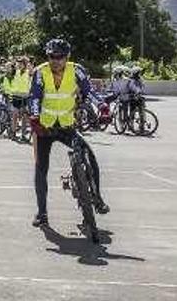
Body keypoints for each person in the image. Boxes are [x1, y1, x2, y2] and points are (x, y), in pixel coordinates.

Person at [28, 38, 110, 228]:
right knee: (41, 169)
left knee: (90, 155)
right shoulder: (40, 72)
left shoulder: (77, 70)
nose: (55, 60)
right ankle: (42, 213)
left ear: (67, 57)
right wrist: (34, 117)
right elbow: (34, 97)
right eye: (51, 57)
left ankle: (97, 198)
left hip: (66, 126)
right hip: (45, 127)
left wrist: (103, 106)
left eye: (60, 57)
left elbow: (89, 92)